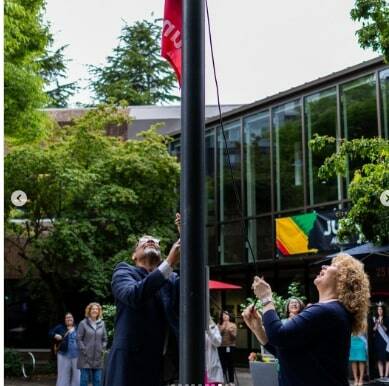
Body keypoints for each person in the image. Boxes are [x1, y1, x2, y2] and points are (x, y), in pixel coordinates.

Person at [242, 253, 370, 386]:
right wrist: (258, 329)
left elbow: (279, 335)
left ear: (343, 279)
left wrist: (266, 298)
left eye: (332, 266)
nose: (324, 266)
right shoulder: (331, 311)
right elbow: (285, 351)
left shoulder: (327, 311)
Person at [104, 214, 181, 386]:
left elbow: (192, 290)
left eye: (155, 242)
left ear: (160, 257)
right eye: (143, 241)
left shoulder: (172, 279)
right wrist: (168, 264)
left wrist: (186, 235)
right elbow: (133, 295)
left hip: (159, 366)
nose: (151, 241)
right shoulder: (123, 272)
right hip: (128, 366)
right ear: (134, 255)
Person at [77, 303, 107, 386]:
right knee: (84, 380)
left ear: (99, 311)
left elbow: (105, 339)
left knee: (97, 380)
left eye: (97, 309)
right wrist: (84, 350)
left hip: (98, 357)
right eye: (93, 309)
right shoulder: (83, 323)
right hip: (85, 357)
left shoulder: (102, 324)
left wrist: (102, 349)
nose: (95, 310)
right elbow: (79, 339)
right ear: (89, 311)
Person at [49, 313, 80, 386]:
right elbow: (50, 333)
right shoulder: (60, 327)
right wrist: (55, 335)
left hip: (77, 355)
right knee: (63, 374)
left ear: (73, 319)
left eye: (70, 317)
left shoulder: (78, 327)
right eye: (67, 318)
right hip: (63, 354)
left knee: (77, 375)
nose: (69, 319)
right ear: (64, 320)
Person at [218, 311, 237, 386]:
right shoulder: (219, 324)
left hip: (231, 346)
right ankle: (222, 381)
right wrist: (223, 326)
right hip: (221, 347)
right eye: (223, 315)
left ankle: (231, 381)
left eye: (226, 314)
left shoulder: (233, 325)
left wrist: (231, 332)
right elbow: (217, 334)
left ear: (229, 316)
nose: (225, 316)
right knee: (222, 365)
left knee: (230, 364)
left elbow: (234, 337)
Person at [372, 302, 389, 380]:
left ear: (383, 310)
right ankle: (381, 376)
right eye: (378, 309)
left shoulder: (387, 318)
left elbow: (387, 330)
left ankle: (386, 376)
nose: (379, 311)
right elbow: (374, 330)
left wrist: (382, 324)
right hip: (378, 340)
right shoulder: (374, 318)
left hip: (385, 341)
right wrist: (376, 324)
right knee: (379, 358)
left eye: (381, 309)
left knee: (386, 358)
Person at [205, 316, 224, 386]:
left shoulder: (213, 327)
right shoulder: (194, 327)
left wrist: (209, 332)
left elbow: (218, 343)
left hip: (212, 365)